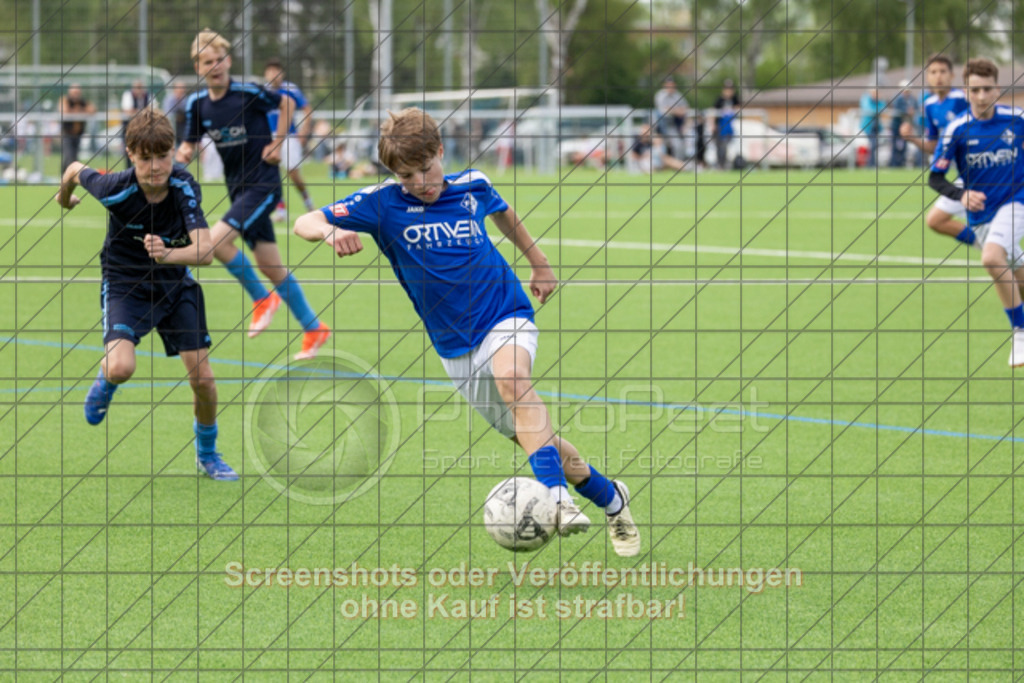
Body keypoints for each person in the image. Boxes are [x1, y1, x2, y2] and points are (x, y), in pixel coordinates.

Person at [293, 108, 641, 557]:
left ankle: (558, 500)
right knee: (540, 438)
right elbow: (306, 222)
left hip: (504, 311)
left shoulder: (471, 185)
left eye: (426, 169)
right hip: (455, 347)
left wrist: (539, 263)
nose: (420, 182)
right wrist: (328, 233)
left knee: (515, 381)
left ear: (441, 152)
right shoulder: (381, 203)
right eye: (407, 175)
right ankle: (612, 498)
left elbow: (504, 213)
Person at [54, 108, 237, 480]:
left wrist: (168, 254)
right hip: (125, 283)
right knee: (122, 368)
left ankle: (207, 453)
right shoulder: (114, 188)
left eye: (164, 156)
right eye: (146, 158)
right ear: (131, 154)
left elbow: (204, 251)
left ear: (173, 152)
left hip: (174, 283)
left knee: (203, 380)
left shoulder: (184, 186)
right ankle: (106, 381)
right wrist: (64, 198)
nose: (156, 167)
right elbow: (74, 168)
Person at [177, 30, 330, 358]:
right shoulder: (197, 105)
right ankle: (314, 328)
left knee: (214, 243)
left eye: (219, 59)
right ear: (198, 67)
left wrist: (277, 141)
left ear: (228, 61)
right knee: (270, 265)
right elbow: (188, 145)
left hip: (263, 185)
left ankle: (262, 299)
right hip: (238, 191)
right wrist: (173, 165)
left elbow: (287, 102)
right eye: (207, 61)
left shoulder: (246, 92)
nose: (215, 65)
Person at [929, 58, 1024, 367]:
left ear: (997, 89)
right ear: (966, 91)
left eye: (987, 89)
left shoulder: (1017, 120)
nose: (981, 96)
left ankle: (1020, 334)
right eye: (975, 90)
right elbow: (935, 177)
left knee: (991, 258)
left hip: (1016, 201)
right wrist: (962, 194)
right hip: (983, 215)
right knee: (1016, 271)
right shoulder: (956, 130)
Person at [901, 54, 977, 249]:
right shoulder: (929, 105)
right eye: (933, 72)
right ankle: (989, 249)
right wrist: (912, 139)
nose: (938, 76)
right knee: (935, 220)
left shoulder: (963, 98)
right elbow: (935, 145)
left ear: (952, 75)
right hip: (965, 175)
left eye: (943, 71)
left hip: (983, 169)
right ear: (927, 77)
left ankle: (998, 256)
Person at [263, 57, 316, 221]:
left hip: (289, 137)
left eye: (277, 70)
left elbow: (307, 110)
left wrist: (304, 132)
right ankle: (280, 211)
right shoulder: (262, 91)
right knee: (272, 174)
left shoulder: (291, 89)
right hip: (269, 137)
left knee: (293, 173)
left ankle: (309, 204)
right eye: (271, 70)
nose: (274, 74)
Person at [59, 83, 95, 171]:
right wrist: (79, 111)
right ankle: (65, 176)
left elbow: (92, 110)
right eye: (74, 93)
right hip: (67, 133)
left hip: (78, 134)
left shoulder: (82, 102)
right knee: (69, 156)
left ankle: (70, 177)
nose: (76, 95)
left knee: (74, 157)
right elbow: (64, 111)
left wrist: (79, 110)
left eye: (77, 93)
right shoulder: (65, 100)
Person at [654, 77, 688, 157]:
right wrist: (677, 110)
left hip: (674, 124)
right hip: (661, 125)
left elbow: (685, 109)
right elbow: (664, 111)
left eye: (672, 85)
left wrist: (672, 110)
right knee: (661, 148)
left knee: (678, 145)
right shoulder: (660, 95)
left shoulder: (678, 95)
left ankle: (678, 164)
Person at [121, 80, 150, 166]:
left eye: (141, 87)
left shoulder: (149, 95)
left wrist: (136, 112)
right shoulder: (128, 95)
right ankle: (129, 170)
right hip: (129, 127)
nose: (139, 90)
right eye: (137, 87)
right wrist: (144, 112)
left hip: (145, 128)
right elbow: (127, 111)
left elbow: (153, 110)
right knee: (128, 149)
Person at [888, 80, 915, 168]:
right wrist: (906, 111)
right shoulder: (897, 98)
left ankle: (902, 163)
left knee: (904, 146)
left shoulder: (911, 99)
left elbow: (916, 107)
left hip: (906, 126)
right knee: (895, 146)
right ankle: (894, 164)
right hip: (896, 126)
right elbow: (897, 108)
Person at [713, 80, 740, 170]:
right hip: (720, 127)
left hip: (731, 127)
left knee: (729, 146)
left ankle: (728, 164)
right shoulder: (719, 100)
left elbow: (739, 109)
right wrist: (713, 125)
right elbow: (713, 113)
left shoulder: (735, 99)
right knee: (720, 147)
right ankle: (720, 165)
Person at [859, 86, 884, 168]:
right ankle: (871, 164)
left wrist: (879, 100)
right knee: (872, 145)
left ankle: (873, 164)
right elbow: (868, 109)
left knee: (875, 145)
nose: (876, 94)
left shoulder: (879, 101)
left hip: (876, 127)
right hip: (867, 127)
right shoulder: (866, 99)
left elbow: (883, 107)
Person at [161, 80, 190, 147]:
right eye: (179, 88)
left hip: (182, 128)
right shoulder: (169, 99)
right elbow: (168, 114)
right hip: (171, 127)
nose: (181, 90)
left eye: (183, 88)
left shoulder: (186, 100)